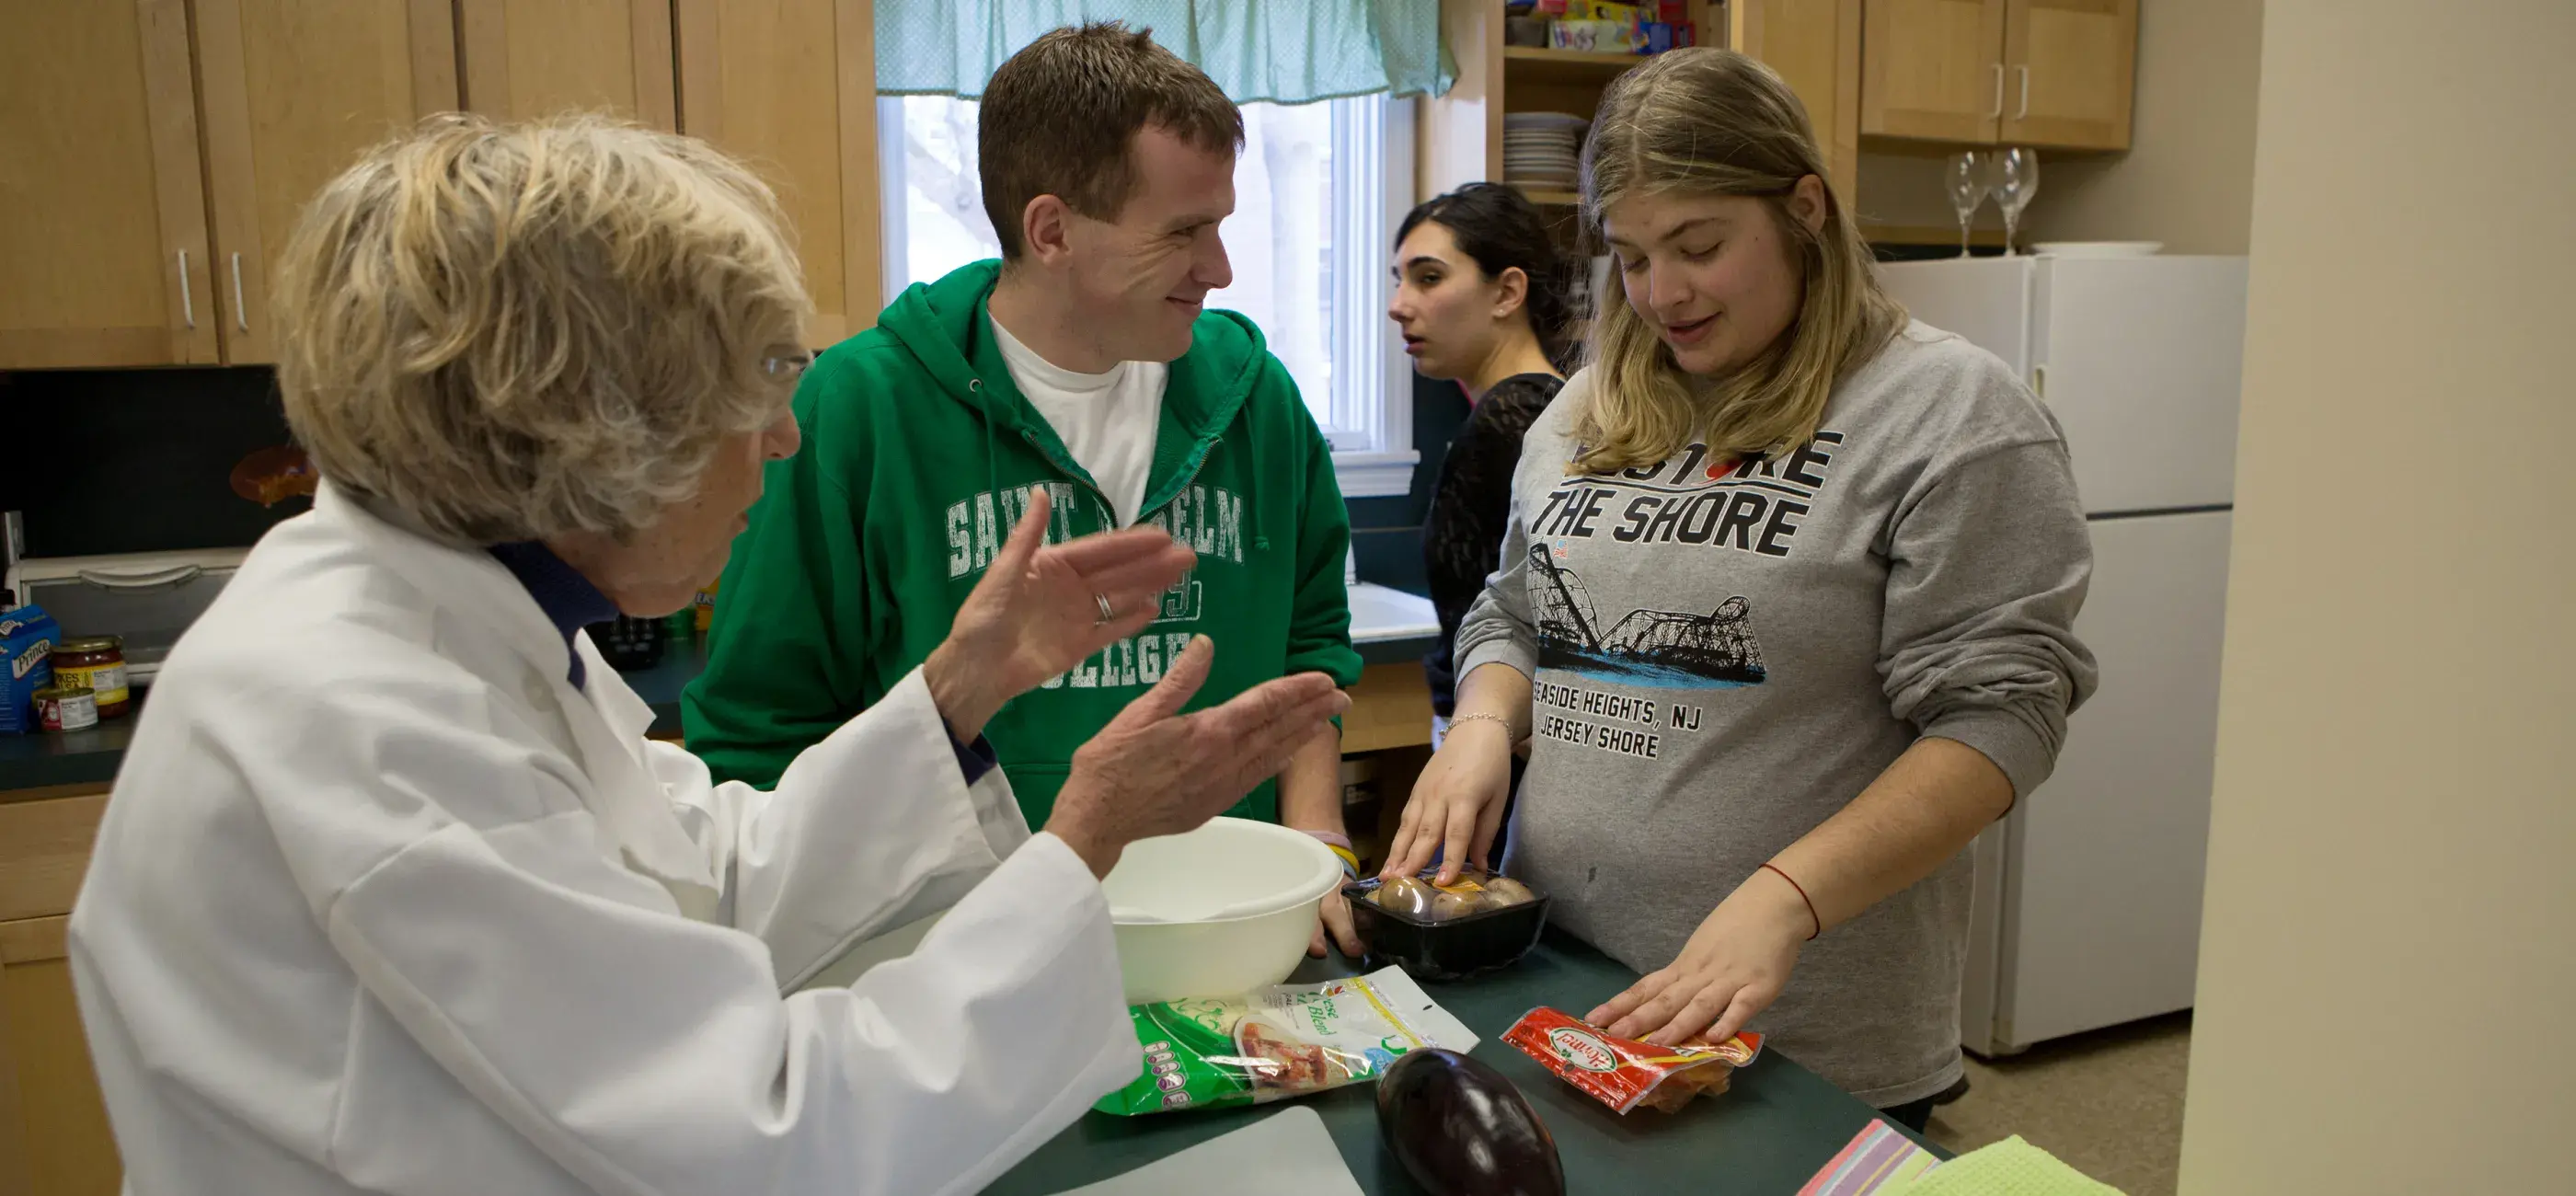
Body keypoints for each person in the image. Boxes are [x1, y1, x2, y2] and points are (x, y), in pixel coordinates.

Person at [66, 114, 1348, 1196]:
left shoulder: (461, 625)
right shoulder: (361, 711)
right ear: (585, 424)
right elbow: (768, 1134)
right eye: (754, 390)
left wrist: (961, 690)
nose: (784, 441)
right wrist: (1078, 846)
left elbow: (707, 880)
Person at [1380, 48, 2098, 1133]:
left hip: (1797, 1033)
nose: (1660, 292)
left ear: (1801, 209)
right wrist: (1482, 720)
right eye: (1629, 256)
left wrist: (1786, 897)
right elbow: (1516, 610)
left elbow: (2001, 716)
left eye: (1698, 246)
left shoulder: (1950, 412)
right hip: (1558, 983)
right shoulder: (1582, 410)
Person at [686, 23, 1368, 957]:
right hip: (943, 956)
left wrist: (1314, 839)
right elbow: (758, 733)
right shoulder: (852, 411)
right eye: (1184, 232)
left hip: (1221, 932)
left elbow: (1310, 647)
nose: (1221, 269)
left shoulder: (1259, 399)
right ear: (1050, 230)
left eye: (1221, 225)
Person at [1386, 182, 1571, 741]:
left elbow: (1549, 614)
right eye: (1399, 281)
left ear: (1507, 292)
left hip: (1494, 734)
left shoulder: (1513, 418)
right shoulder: (1544, 406)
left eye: (1429, 277)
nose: (1398, 305)